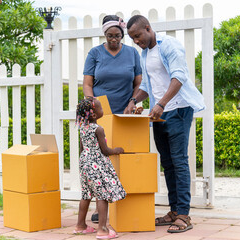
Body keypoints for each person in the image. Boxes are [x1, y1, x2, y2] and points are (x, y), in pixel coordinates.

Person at [126, 15, 205, 233]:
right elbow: (148, 87)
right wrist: (133, 101)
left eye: (138, 36)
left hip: (178, 109)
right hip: (159, 113)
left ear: (148, 29)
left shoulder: (169, 45)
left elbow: (178, 77)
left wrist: (161, 103)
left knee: (179, 161)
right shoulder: (145, 53)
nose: (136, 41)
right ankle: (173, 211)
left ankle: (184, 215)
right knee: (168, 163)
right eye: (133, 38)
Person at [83, 14, 142, 223]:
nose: (114, 40)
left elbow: (139, 83)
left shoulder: (132, 54)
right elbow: (88, 83)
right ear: (104, 34)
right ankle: (102, 208)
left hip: (124, 115)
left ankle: (124, 205)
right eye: (110, 36)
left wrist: (133, 101)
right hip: (102, 116)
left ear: (122, 35)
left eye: (117, 36)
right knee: (101, 163)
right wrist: (92, 106)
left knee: (123, 159)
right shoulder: (95, 53)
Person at [73, 97, 126, 239]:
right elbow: (105, 150)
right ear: (95, 115)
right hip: (96, 164)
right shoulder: (98, 129)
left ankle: (80, 225)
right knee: (102, 195)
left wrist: (85, 164)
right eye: (101, 107)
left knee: (86, 194)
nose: (103, 109)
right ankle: (102, 229)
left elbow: (82, 149)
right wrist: (117, 150)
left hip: (84, 163)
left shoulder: (82, 128)